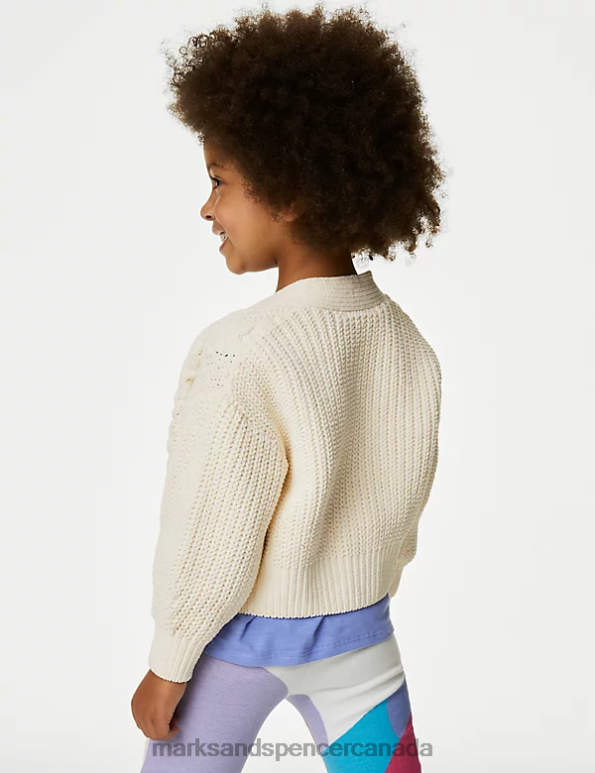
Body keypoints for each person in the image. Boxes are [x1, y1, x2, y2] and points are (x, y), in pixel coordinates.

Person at [131, 3, 447, 770]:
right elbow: (401, 507)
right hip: (361, 641)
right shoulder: (405, 342)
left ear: (291, 189)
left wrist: (168, 661)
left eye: (219, 181)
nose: (207, 207)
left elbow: (211, 528)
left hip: (239, 646)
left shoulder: (242, 351)